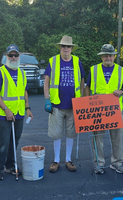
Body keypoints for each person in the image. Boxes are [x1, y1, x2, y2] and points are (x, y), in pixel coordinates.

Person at [84, 44, 123, 174]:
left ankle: (117, 163)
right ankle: (99, 163)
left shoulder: (121, 70)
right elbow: (87, 87)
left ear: (114, 57)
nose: (107, 57)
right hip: (97, 111)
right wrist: (87, 102)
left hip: (115, 110)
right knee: (97, 138)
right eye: (105, 55)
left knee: (117, 137)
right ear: (101, 57)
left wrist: (121, 91)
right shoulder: (94, 70)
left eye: (110, 55)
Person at [0, 44, 33, 181]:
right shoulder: (0, 72)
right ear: (6, 57)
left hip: (19, 112)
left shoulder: (21, 72)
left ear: (19, 56)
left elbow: (24, 92)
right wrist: (6, 110)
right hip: (4, 113)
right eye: (10, 55)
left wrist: (27, 108)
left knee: (15, 140)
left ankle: (10, 165)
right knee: (3, 142)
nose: (13, 57)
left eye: (15, 55)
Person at [44, 35, 84, 173]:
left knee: (71, 133)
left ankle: (68, 159)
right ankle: (56, 160)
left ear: (72, 48)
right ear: (60, 48)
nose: (65, 48)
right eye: (63, 46)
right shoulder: (53, 61)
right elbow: (47, 81)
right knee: (56, 134)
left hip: (73, 105)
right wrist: (46, 99)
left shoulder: (77, 61)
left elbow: (82, 81)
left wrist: (82, 99)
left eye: (68, 46)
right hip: (56, 104)